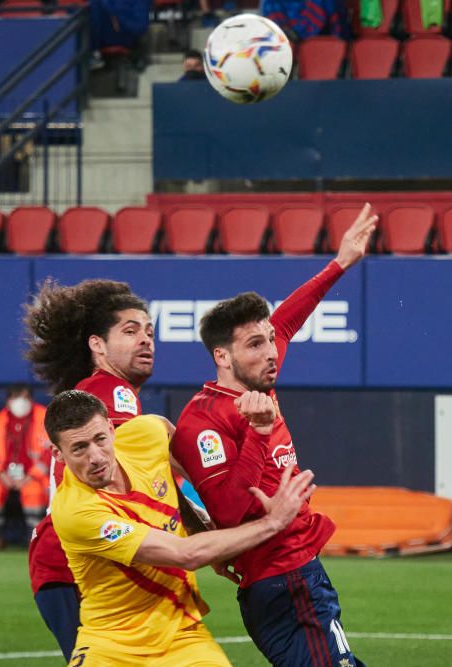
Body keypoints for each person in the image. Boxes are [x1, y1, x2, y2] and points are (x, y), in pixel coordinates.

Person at [169, 203, 377, 667]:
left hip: (297, 573)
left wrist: (340, 263)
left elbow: (287, 319)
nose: (272, 351)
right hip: (283, 581)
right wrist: (260, 435)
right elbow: (226, 511)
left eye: (269, 340)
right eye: (256, 343)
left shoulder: (259, 375)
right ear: (223, 356)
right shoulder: (202, 422)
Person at [47, 389, 316, 667]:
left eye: (100, 439)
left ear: (111, 429)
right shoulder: (75, 512)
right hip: (111, 646)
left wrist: (195, 523)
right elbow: (186, 555)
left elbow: (167, 439)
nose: (96, 457)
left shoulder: (146, 432)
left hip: (182, 636)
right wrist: (272, 522)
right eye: (79, 448)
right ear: (57, 453)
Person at [24, 279, 168, 660]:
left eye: (150, 332)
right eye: (131, 331)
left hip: (81, 563)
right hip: (71, 567)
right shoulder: (110, 392)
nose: (146, 341)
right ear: (97, 345)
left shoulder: (103, 392)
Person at [0, 384, 51, 552]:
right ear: (8, 402)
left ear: (31, 400)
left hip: (34, 477)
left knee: (33, 492)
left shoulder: (45, 418)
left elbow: (52, 451)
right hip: (3, 476)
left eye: (25, 398)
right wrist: (0, 474)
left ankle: (34, 541)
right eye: (16, 398)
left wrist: (31, 476)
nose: (20, 402)